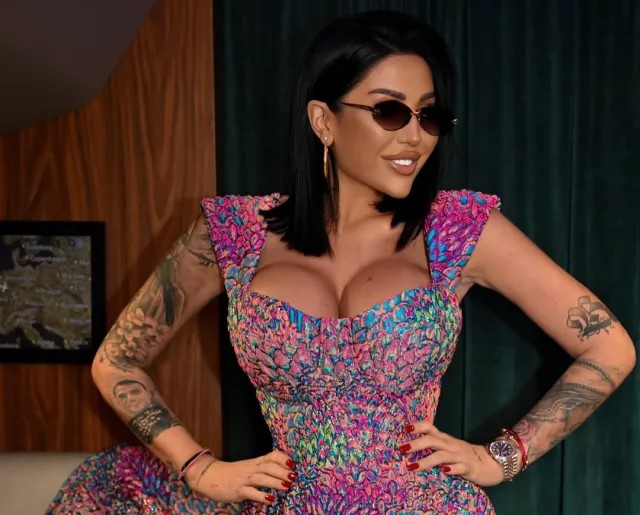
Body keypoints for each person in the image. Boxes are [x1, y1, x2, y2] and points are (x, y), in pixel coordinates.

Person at [48, 10, 635, 514]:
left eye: (429, 116)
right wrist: (199, 469)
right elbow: (116, 363)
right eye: (390, 112)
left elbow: (609, 348)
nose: (416, 138)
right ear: (324, 121)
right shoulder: (232, 234)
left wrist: (499, 458)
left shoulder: (458, 230)